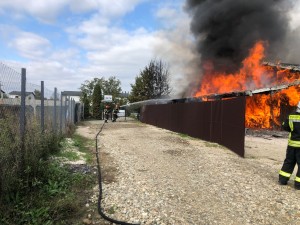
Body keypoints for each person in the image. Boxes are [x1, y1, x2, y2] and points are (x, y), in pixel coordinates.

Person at [279, 101, 300, 189]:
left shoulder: (291, 115)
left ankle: (283, 180)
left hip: (292, 144)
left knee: (289, 161)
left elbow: (285, 126)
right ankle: (298, 185)